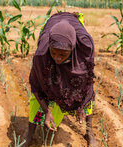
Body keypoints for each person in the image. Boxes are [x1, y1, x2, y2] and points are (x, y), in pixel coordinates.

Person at [23, 12, 97, 147]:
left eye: (63, 54)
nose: (57, 58)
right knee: (44, 87)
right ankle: (29, 136)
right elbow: (36, 86)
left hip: (74, 30)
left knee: (83, 92)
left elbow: (87, 85)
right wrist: (47, 111)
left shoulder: (85, 48)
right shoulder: (42, 54)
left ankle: (89, 132)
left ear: (73, 49)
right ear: (49, 47)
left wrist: (81, 105)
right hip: (52, 24)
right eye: (54, 53)